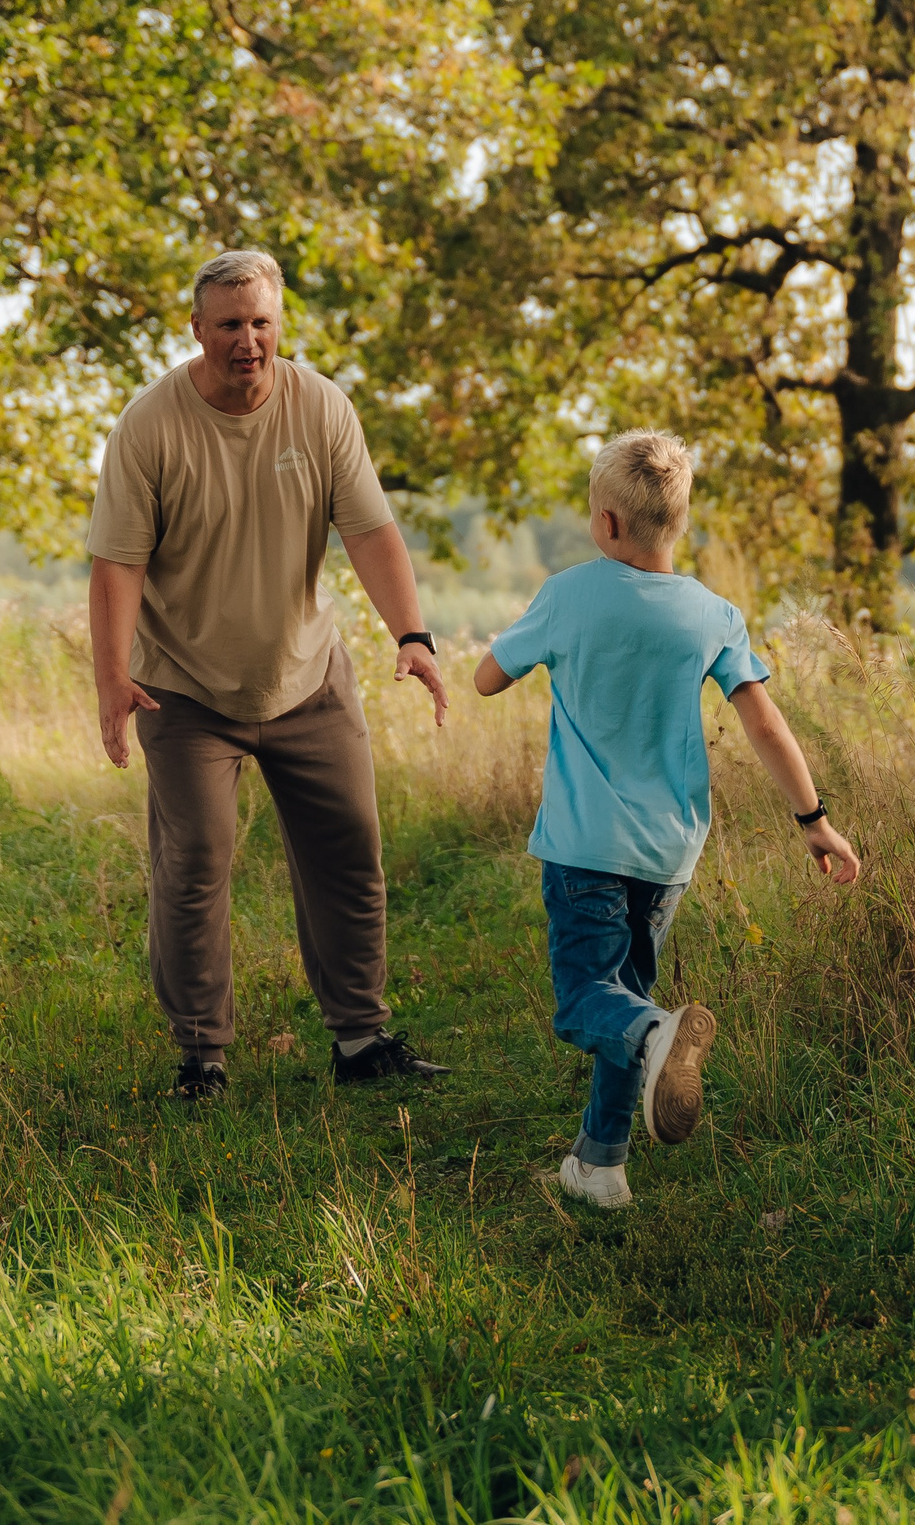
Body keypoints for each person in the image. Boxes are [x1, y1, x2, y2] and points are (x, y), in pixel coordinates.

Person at [86, 249, 451, 1099]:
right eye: (229, 325)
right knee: (195, 862)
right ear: (197, 329)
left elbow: (370, 531)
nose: (248, 341)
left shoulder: (321, 407)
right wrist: (111, 679)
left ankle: (360, 1040)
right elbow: (115, 567)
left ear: (278, 323)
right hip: (183, 686)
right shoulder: (150, 426)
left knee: (349, 850)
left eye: (262, 323)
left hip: (306, 677)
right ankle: (201, 1056)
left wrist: (414, 633)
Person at [474, 429, 861, 1210]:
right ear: (677, 520)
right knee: (629, 991)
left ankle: (657, 1038)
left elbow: (487, 679)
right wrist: (813, 819)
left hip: (584, 845)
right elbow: (765, 726)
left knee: (591, 998)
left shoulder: (568, 594)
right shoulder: (712, 613)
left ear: (607, 523)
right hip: (667, 853)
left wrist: (534, 640)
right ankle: (601, 1164)